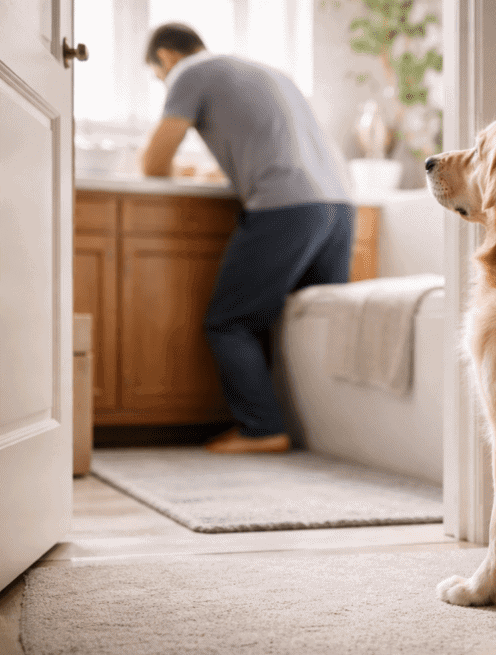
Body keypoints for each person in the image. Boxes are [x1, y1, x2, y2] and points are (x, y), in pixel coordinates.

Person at [141, 23, 354, 454]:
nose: (164, 81)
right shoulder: (267, 71)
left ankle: (262, 428)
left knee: (229, 321)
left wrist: (178, 169)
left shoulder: (189, 73)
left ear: (165, 57)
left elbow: (153, 163)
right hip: (340, 206)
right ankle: (331, 437)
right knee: (311, 322)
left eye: (157, 74)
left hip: (286, 208)